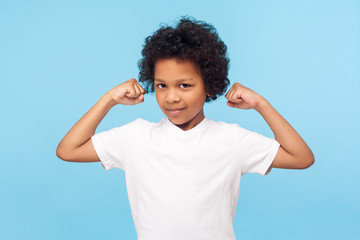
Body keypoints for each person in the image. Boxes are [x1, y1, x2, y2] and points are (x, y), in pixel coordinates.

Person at [56, 16, 314, 240]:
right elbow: (68, 150)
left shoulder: (232, 139)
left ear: (209, 86)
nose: (171, 98)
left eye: (184, 85)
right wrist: (108, 100)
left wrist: (261, 104)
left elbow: (301, 158)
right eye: (161, 85)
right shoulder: (135, 137)